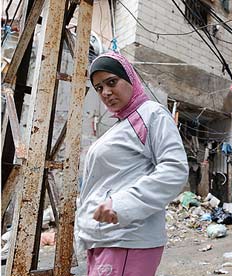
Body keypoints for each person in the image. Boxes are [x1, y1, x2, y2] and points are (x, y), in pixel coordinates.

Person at [74, 51, 189, 276]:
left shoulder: (151, 114)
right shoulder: (121, 125)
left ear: (129, 78)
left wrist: (122, 203)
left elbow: (174, 170)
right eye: (99, 88)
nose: (106, 92)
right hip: (105, 238)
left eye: (111, 82)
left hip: (127, 239)